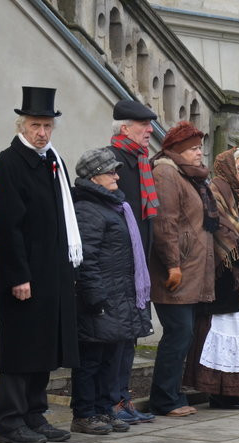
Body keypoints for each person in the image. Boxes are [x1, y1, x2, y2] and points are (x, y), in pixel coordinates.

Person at [0, 87, 80, 443]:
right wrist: (18, 275)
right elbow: (8, 225)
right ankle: (10, 421)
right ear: (21, 125)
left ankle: (35, 413)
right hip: (24, 273)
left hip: (52, 270)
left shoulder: (52, 161)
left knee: (45, 345)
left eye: (47, 125)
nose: (42, 132)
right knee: (21, 348)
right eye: (35, 125)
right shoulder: (10, 162)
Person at [183, 148, 239, 408]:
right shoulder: (216, 191)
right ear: (226, 169)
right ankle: (220, 392)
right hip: (228, 275)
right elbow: (225, 235)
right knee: (226, 334)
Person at [70, 148, 153, 434]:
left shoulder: (112, 205)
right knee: (91, 359)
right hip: (101, 298)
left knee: (111, 358)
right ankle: (84, 413)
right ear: (94, 177)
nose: (117, 176)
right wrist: (95, 297)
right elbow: (86, 258)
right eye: (110, 172)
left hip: (119, 295)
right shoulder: (87, 209)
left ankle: (105, 410)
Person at [148, 121, 216, 417]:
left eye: (201, 147)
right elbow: (165, 223)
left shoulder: (191, 177)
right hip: (176, 271)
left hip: (192, 268)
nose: (200, 153)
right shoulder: (166, 172)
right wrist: (173, 265)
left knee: (184, 335)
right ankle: (164, 399)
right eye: (193, 148)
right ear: (177, 150)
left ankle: (173, 393)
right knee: (178, 333)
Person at [106, 99, 159, 424]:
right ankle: (111, 401)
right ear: (125, 128)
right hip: (119, 266)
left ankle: (123, 399)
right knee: (116, 340)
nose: (151, 131)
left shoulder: (140, 161)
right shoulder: (112, 161)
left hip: (138, 266)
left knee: (131, 338)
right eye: (144, 126)